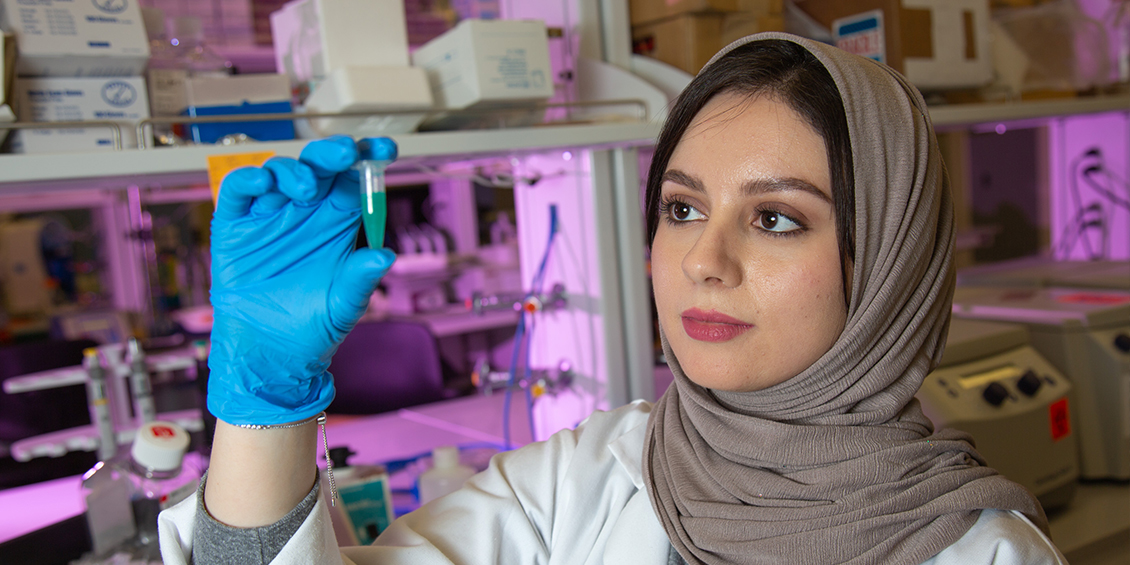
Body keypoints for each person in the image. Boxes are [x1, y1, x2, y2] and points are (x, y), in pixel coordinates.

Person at [159, 33, 1068, 564]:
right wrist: (263, 397)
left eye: (779, 219)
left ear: (889, 262)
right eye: (681, 207)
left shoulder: (980, 552)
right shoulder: (587, 482)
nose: (702, 261)